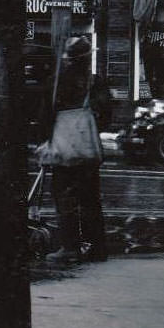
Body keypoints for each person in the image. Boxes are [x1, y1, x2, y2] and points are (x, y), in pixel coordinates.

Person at [44, 36, 109, 263]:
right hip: (88, 148)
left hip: (64, 148)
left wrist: (46, 140)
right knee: (91, 199)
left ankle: (70, 247)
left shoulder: (58, 81)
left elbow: (46, 113)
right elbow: (106, 115)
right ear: (88, 57)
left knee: (64, 197)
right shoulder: (95, 82)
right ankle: (98, 248)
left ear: (69, 58)